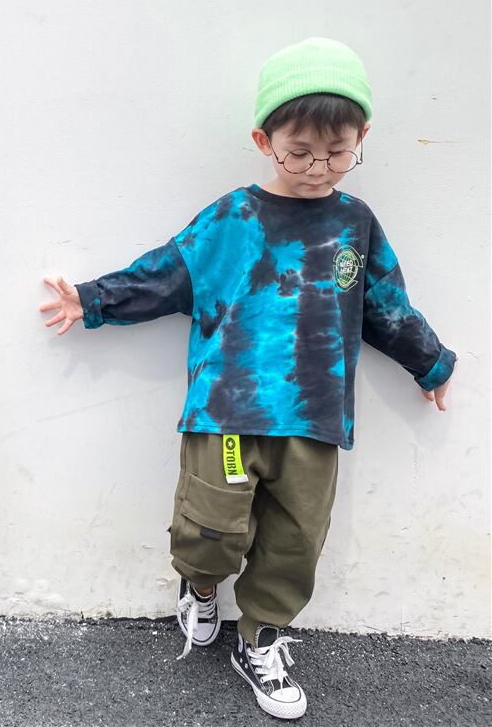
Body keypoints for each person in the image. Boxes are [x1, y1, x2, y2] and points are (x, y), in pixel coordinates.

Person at [38, 36, 457, 720]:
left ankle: (260, 638)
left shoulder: (356, 224)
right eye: (300, 152)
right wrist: (93, 300)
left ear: (362, 138)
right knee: (211, 531)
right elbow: (167, 274)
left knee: (294, 543)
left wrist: (432, 362)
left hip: (314, 418)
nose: (319, 167)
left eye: (338, 152)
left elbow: (385, 307)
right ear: (264, 141)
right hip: (226, 411)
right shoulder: (233, 218)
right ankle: (200, 588)